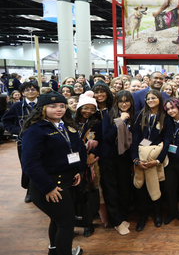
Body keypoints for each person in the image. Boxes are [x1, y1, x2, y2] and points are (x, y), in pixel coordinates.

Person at [20, 91, 86, 255]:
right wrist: (48, 188)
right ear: (42, 108)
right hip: (49, 185)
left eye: (62, 106)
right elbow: (30, 164)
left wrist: (77, 170)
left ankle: (54, 250)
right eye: (53, 106)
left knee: (58, 220)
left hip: (66, 181)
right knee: (66, 222)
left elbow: (76, 149)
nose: (59, 109)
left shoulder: (65, 125)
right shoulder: (35, 131)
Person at [130, 89, 173, 231]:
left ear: (160, 99)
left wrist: (158, 160)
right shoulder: (139, 116)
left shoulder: (165, 117)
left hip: (156, 156)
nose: (150, 101)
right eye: (148, 99)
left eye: (153, 98)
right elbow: (135, 139)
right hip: (141, 156)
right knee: (141, 188)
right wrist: (135, 159)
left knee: (157, 186)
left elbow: (167, 140)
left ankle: (158, 214)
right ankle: (143, 216)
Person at [100, 90, 135, 235]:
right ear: (116, 102)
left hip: (125, 158)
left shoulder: (134, 117)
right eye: (121, 101)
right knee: (111, 190)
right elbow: (107, 138)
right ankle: (116, 221)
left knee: (124, 189)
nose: (124, 104)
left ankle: (121, 217)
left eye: (127, 101)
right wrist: (119, 121)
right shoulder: (109, 116)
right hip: (109, 158)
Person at [2, 82, 40, 202]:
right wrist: (17, 131)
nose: (30, 91)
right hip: (24, 142)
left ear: (38, 92)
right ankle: (30, 191)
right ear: (23, 93)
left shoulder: (44, 105)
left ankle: (43, 189)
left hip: (44, 141)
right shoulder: (17, 106)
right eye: (27, 90)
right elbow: (6, 121)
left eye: (33, 89)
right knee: (27, 166)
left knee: (44, 164)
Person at [74, 91, 103, 237]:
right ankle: (72, 221)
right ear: (79, 107)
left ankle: (88, 222)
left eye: (92, 109)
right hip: (71, 162)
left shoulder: (96, 123)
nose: (89, 112)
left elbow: (101, 141)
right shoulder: (69, 122)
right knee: (73, 193)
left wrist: (93, 154)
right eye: (86, 108)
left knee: (89, 192)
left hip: (89, 162)